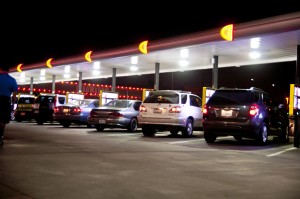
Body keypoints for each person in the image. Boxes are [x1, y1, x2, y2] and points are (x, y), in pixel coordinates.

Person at [0, 66, 18, 146]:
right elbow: (14, 95)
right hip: (5, 101)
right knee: (3, 120)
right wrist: (13, 104)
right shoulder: (12, 80)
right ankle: (0, 137)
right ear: (8, 70)